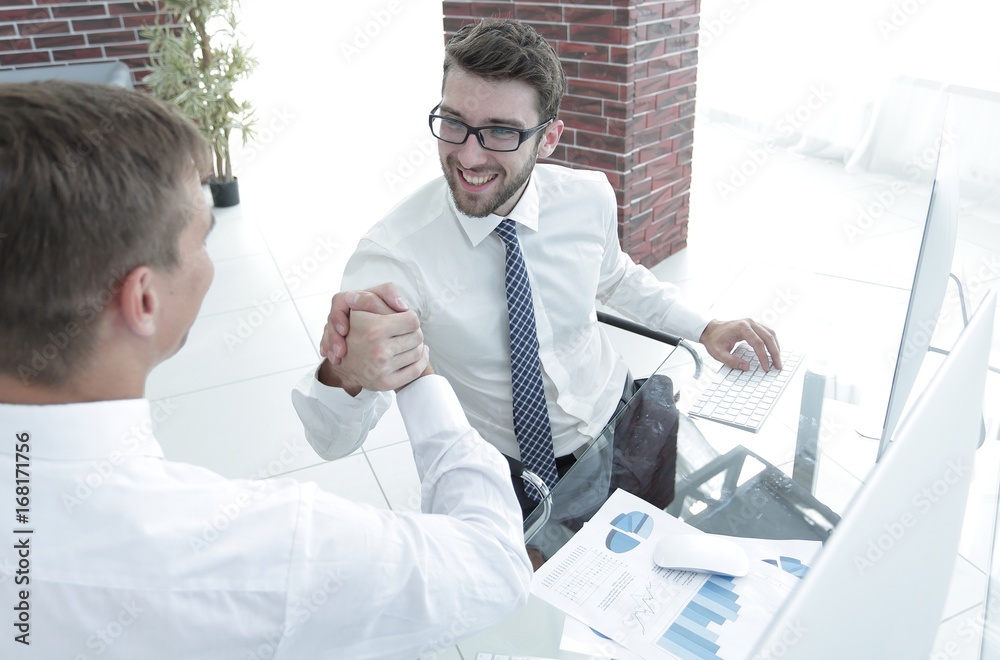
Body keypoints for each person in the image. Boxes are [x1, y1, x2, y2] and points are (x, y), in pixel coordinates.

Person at [0, 80, 530, 659]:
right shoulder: (256, 548)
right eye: (203, 236)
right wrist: (419, 375)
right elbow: (493, 565)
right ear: (144, 300)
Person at [292, 18, 781, 521]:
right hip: (512, 473)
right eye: (455, 122)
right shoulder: (393, 258)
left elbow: (615, 278)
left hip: (625, 417)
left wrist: (706, 327)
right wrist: (347, 373)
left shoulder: (588, 197)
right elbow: (329, 441)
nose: (468, 154)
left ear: (548, 139)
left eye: (500, 131)